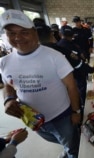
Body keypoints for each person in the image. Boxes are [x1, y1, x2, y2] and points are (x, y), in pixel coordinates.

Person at [0, 9, 81, 158]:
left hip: (61, 116)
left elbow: (71, 86)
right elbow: (8, 85)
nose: (18, 37)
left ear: (34, 33)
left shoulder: (54, 57)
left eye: (24, 32)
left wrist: (76, 112)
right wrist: (8, 99)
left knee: (71, 144)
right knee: (55, 139)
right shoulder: (4, 62)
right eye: (11, 33)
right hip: (32, 118)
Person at [57, 25, 94, 114]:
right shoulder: (66, 46)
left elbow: (78, 52)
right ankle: (83, 110)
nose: (72, 37)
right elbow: (78, 64)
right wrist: (90, 69)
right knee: (81, 93)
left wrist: (81, 54)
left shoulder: (61, 44)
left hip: (74, 74)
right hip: (76, 75)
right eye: (71, 36)